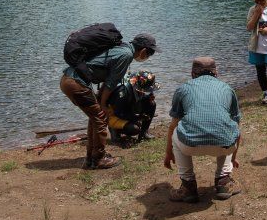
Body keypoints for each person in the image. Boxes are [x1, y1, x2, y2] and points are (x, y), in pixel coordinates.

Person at [60, 33, 159, 169]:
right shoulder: (126, 55)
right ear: (143, 50)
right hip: (76, 83)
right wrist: (103, 105)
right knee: (100, 118)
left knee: (95, 118)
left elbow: (107, 81)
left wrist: (102, 101)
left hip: (70, 80)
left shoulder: (121, 48)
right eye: (149, 54)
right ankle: (99, 159)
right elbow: (110, 84)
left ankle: (90, 159)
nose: (147, 57)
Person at [164, 57, 242, 202]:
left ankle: (188, 186)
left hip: (189, 146)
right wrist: (234, 156)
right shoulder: (227, 88)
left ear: (192, 73)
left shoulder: (183, 88)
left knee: (176, 131)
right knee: (227, 127)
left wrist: (169, 153)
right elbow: (237, 126)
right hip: (225, 146)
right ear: (216, 73)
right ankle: (224, 181)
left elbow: (173, 124)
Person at [105, 70, 158, 147]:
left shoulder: (136, 87)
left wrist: (147, 98)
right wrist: (137, 118)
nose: (147, 91)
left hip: (127, 108)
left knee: (151, 104)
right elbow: (118, 112)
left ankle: (143, 133)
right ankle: (115, 132)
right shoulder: (123, 91)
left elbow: (136, 99)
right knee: (134, 129)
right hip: (114, 115)